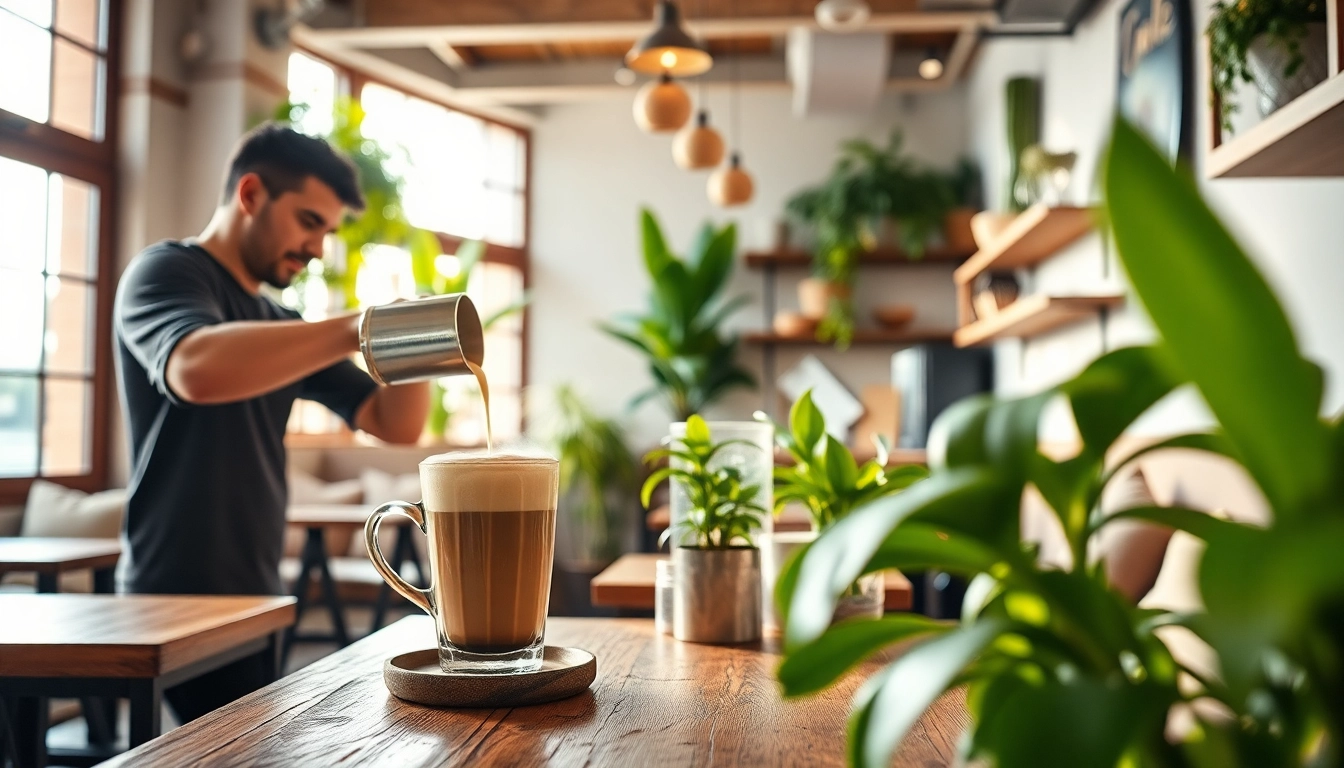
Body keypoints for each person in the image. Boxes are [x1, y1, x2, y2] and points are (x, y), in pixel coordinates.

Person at [113, 123, 429, 723]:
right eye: (309, 222)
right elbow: (194, 369)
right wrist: (358, 326)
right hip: (171, 593)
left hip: (256, 591)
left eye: (326, 232)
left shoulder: (280, 324)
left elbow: (394, 423)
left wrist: (419, 341)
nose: (317, 248)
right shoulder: (165, 272)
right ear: (251, 194)